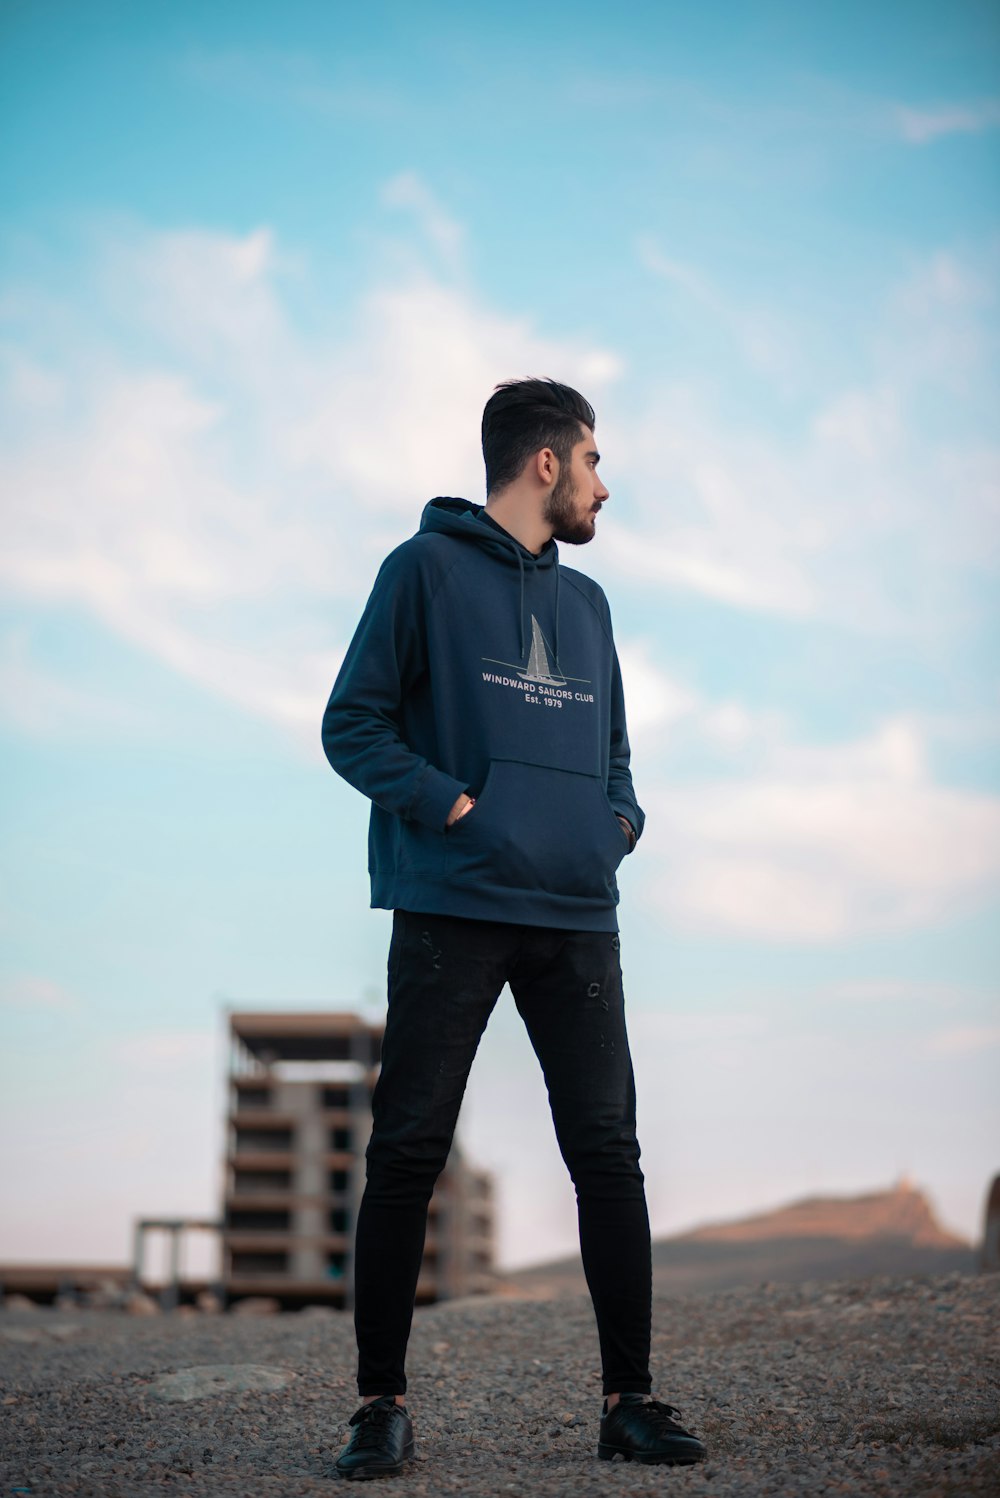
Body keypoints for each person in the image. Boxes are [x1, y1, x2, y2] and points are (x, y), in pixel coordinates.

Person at [321, 377, 707, 1478]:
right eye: (592, 460)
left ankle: (628, 1399)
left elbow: (615, 750)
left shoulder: (587, 607)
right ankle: (378, 1404)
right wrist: (453, 806)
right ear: (546, 463)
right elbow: (351, 723)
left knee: (608, 1154)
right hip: (454, 901)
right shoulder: (422, 572)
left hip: (577, 913)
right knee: (407, 1149)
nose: (602, 483)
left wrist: (615, 823)